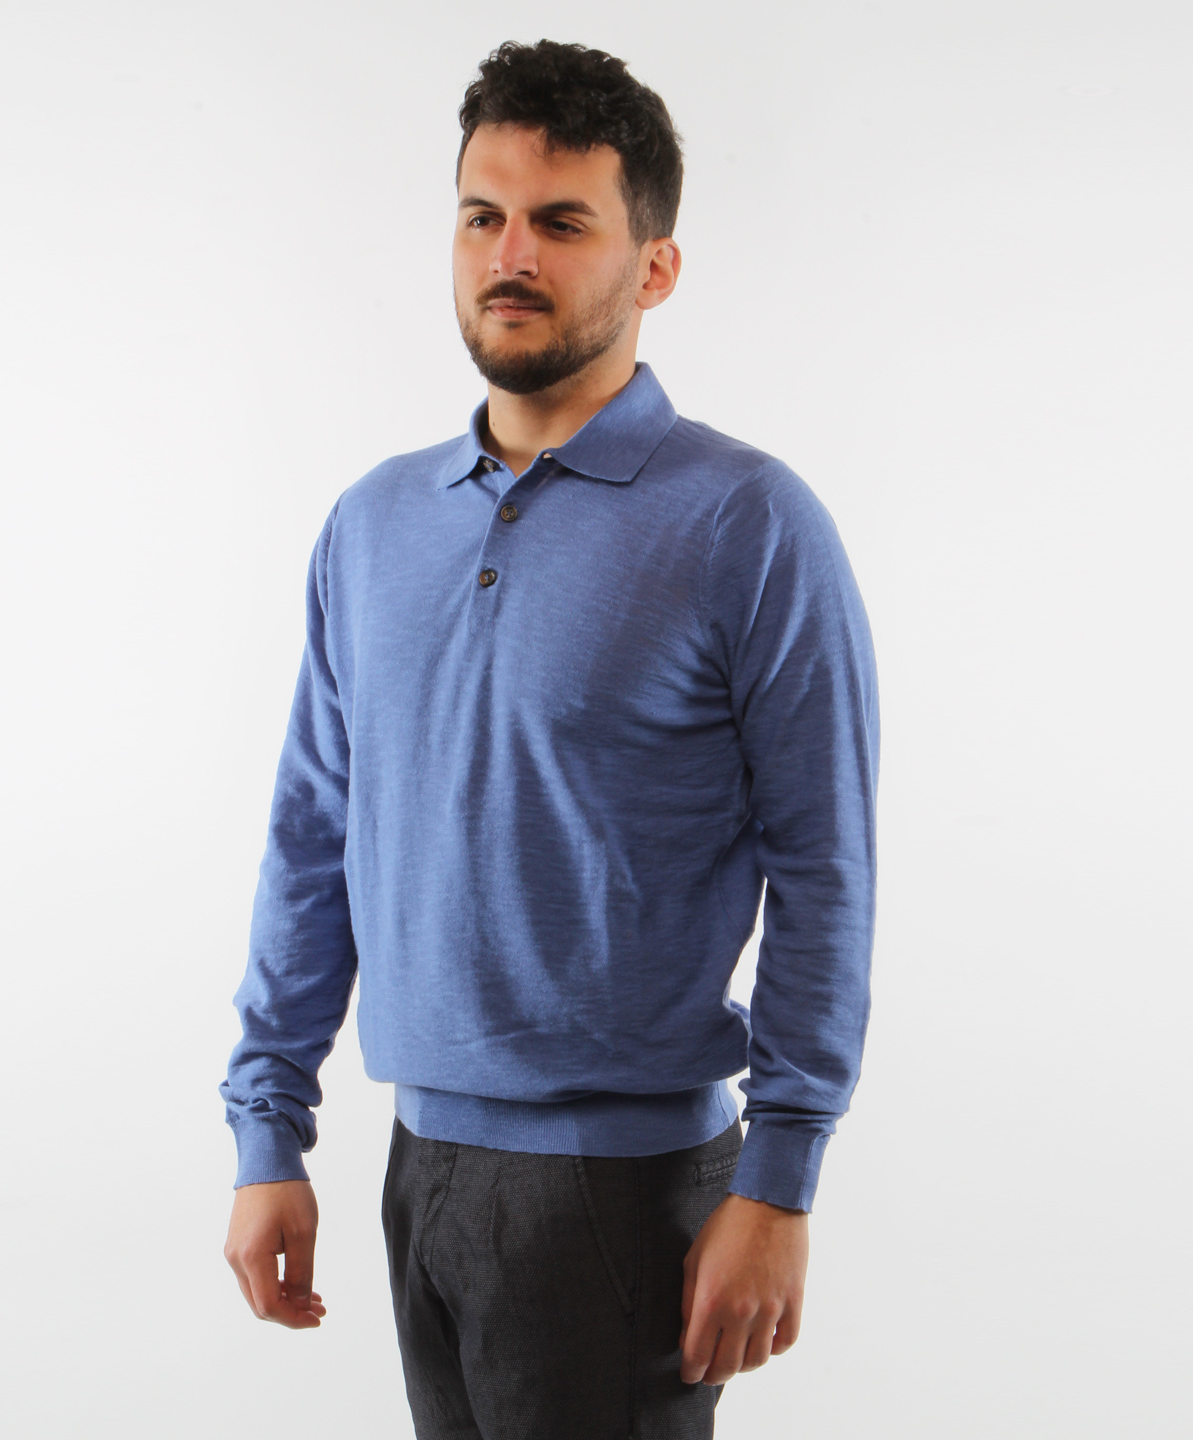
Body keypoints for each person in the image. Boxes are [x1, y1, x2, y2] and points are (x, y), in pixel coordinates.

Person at [219, 38, 879, 1440]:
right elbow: (314, 837)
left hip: (624, 1196)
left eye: (562, 222)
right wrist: (267, 1130)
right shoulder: (372, 523)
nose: (509, 256)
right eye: (483, 215)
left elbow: (827, 869)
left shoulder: (747, 523)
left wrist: (779, 1181)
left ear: (655, 266)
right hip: (419, 1167)